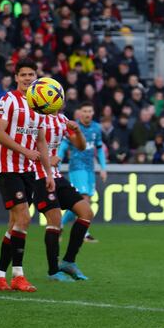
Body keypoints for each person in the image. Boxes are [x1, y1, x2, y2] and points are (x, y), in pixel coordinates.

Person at [0, 60, 52, 292]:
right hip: (7, 169)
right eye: (23, 74)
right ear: (16, 77)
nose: (27, 78)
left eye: (31, 74)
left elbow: (41, 142)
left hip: (28, 171)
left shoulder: (40, 105)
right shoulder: (8, 100)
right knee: (24, 218)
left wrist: (48, 173)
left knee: (15, 223)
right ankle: (18, 275)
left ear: (37, 76)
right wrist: (25, 151)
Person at [35, 110, 96, 281]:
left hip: (56, 176)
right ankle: (53, 271)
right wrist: (47, 158)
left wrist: (77, 131)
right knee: (54, 219)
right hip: (38, 175)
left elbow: (81, 146)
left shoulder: (62, 119)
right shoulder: (34, 118)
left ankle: (69, 261)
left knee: (86, 212)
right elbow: (26, 148)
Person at [59, 102, 106, 243]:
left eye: (89, 111)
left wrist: (103, 168)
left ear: (93, 113)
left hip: (90, 168)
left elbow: (100, 148)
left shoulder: (96, 128)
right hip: (77, 168)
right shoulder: (73, 128)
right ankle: (83, 233)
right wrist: (58, 163)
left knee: (84, 201)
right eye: (84, 111)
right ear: (80, 113)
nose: (87, 113)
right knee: (83, 199)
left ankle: (60, 225)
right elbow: (63, 146)